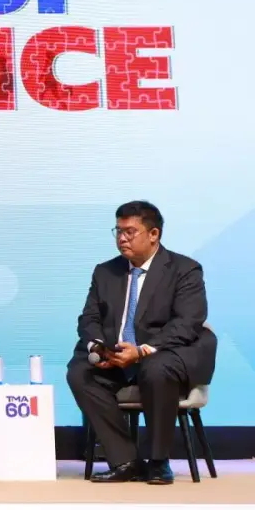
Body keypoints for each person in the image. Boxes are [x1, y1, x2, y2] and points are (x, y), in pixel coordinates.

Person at [67, 201, 216, 485]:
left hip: (164, 353)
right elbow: (89, 318)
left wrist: (141, 351)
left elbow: (188, 322)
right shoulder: (105, 271)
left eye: (130, 232)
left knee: (155, 369)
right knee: (80, 372)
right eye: (118, 231)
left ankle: (159, 461)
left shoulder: (185, 269)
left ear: (153, 234)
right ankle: (126, 461)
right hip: (117, 356)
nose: (121, 238)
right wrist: (98, 347)